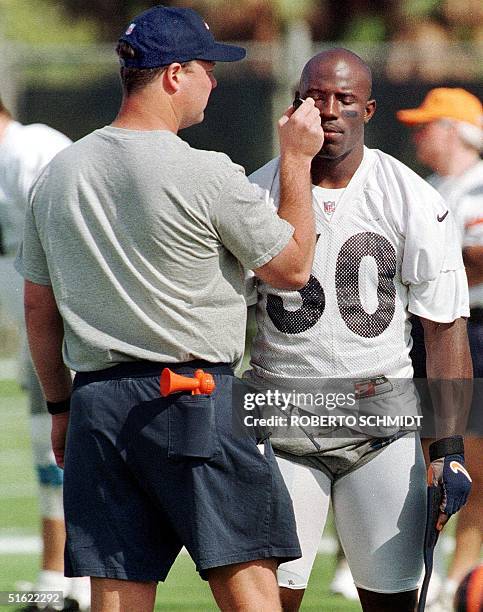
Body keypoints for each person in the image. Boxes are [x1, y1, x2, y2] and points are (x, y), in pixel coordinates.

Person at [15, 6, 325, 612]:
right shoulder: (204, 171)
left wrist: (59, 405)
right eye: (208, 69)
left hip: (97, 406)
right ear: (174, 75)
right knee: (249, 591)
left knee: (116, 597)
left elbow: (38, 303)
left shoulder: (58, 174)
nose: (214, 81)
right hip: (193, 397)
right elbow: (292, 270)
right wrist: (296, 161)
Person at [246, 48, 473, 612]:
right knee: (268, 601)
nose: (327, 111)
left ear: (367, 110)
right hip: (280, 412)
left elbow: (444, 327)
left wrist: (448, 448)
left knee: (392, 599)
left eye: (343, 99)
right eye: (313, 97)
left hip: (381, 417)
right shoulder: (252, 193)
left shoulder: (412, 197)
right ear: (293, 105)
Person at [0, 98, 91, 611]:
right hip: (37, 331)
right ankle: (58, 577)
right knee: (48, 450)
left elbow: (72, 229)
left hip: (63, 327)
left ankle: (75, 577)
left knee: (68, 450)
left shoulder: (31, 147)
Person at [397, 88, 483, 612]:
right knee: (425, 453)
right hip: (431, 332)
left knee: (470, 458)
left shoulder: (479, 187)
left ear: (455, 130)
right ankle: (431, 573)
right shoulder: (431, 189)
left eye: (429, 124)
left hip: (476, 331)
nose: (418, 134)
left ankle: (456, 580)